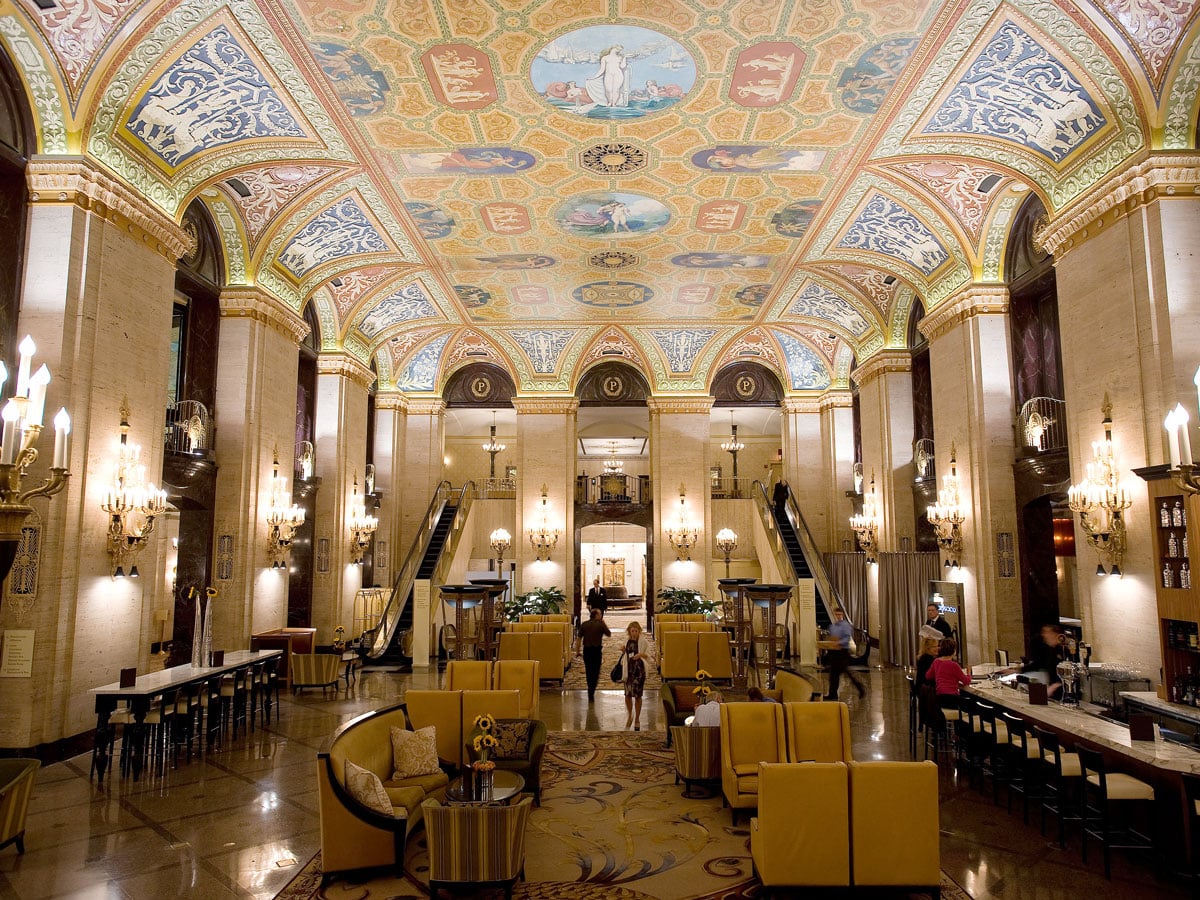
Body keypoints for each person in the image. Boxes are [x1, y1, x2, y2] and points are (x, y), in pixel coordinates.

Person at [825, 608, 865, 701]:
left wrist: (838, 643)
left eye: (839, 614)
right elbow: (832, 637)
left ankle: (860, 688)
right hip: (834, 652)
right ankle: (833, 695)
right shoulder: (832, 626)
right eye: (836, 614)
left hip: (842, 652)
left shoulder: (845, 626)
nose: (838, 616)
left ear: (842, 615)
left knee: (841, 673)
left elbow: (847, 638)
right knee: (834, 674)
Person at [574, 606, 611, 703]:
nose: (601, 615)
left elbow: (579, 639)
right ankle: (592, 689)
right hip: (596, 650)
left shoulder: (584, 624)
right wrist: (604, 623)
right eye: (600, 614)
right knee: (596, 670)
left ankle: (590, 688)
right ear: (596, 615)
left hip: (587, 650)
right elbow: (608, 634)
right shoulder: (600, 624)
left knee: (588, 670)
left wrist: (577, 651)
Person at [925, 638, 971, 708]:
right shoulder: (954, 665)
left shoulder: (936, 661)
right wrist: (969, 673)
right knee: (973, 703)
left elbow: (928, 676)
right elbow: (966, 681)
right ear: (954, 651)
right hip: (952, 698)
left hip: (939, 698)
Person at [622, 621, 651, 730]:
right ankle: (630, 715)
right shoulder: (627, 641)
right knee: (627, 694)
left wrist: (640, 655)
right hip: (628, 671)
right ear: (629, 632)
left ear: (639, 631)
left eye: (636, 631)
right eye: (632, 631)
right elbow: (625, 655)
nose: (634, 633)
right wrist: (623, 650)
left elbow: (648, 655)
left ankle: (637, 719)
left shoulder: (643, 642)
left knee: (638, 695)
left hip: (639, 671)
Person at [1028, 624, 1066, 698]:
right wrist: (1017, 670)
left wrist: (1055, 686)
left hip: (1062, 692)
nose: (1044, 635)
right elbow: (1037, 664)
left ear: (1055, 634)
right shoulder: (1049, 650)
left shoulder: (1064, 651)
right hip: (1053, 692)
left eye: (1047, 632)